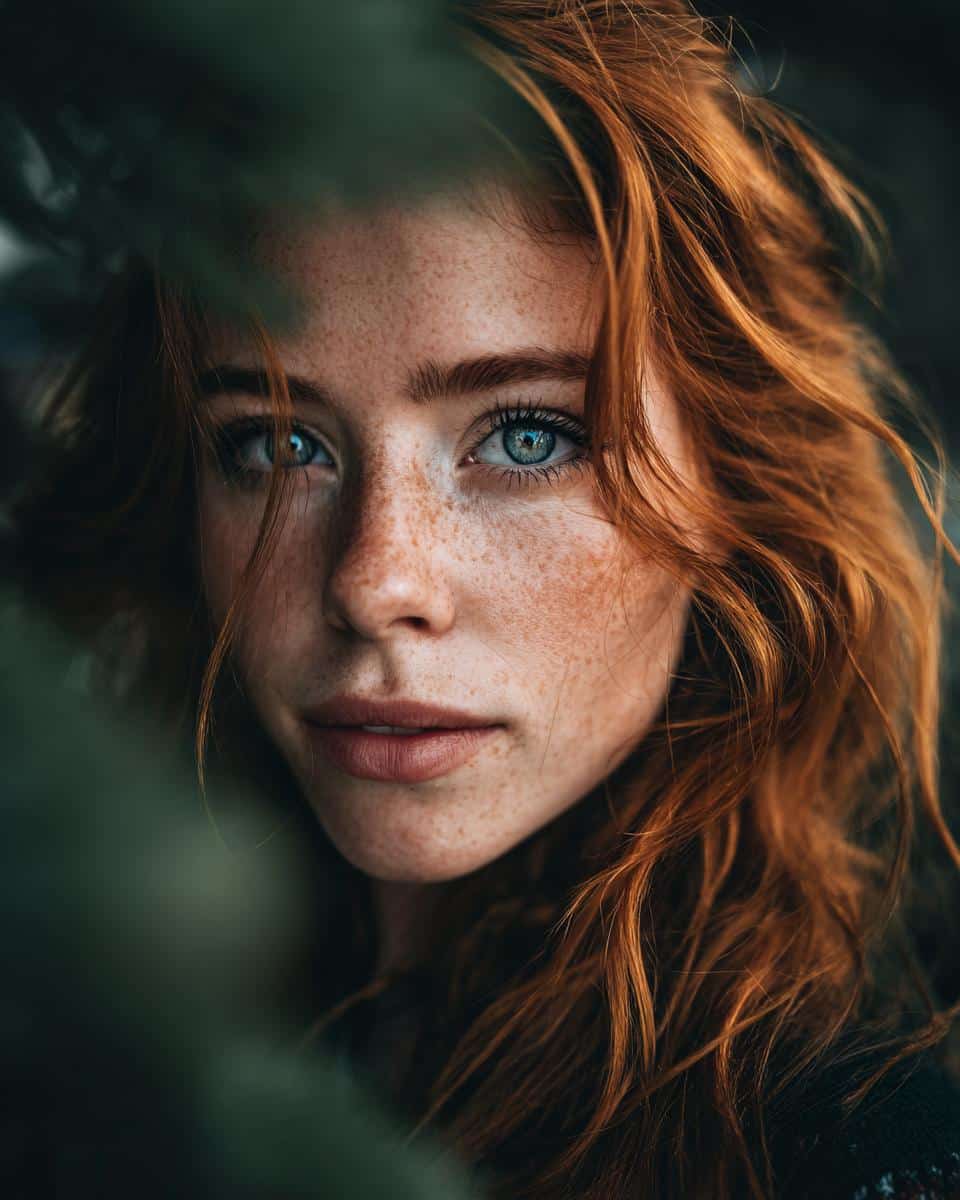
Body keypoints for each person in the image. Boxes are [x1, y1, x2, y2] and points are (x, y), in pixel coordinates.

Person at [13, 1, 960, 1196]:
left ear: (733, 494)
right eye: (274, 445)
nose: (374, 584)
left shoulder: (848, 1153)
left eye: (524, 436)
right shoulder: (81, 1037)